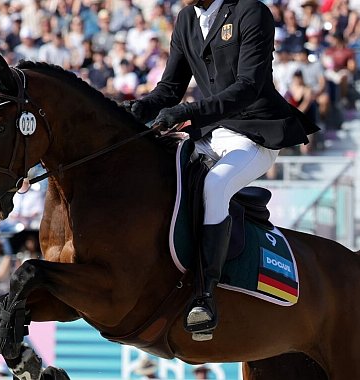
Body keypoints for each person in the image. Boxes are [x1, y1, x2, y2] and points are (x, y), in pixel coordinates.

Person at [121, 0, 319, 340]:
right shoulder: (186, 19)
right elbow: (169, 88)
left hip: (254, 135)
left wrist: (190, 111)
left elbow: (249, 85)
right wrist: (134, 109)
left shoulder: (250, 11)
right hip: (211, 133)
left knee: (215, 184)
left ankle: (204, 295)